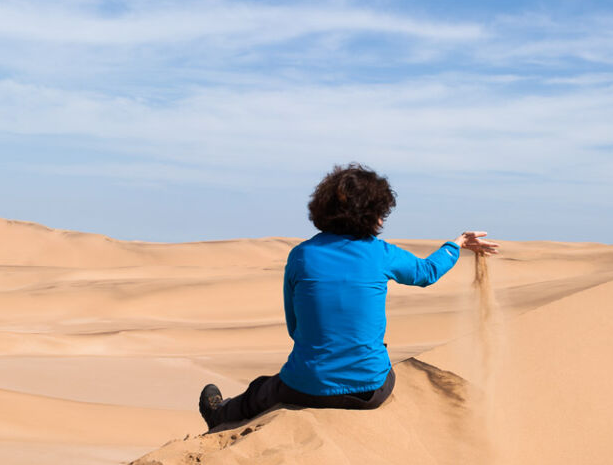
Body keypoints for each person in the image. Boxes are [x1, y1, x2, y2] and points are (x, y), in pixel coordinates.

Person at [198, 163, 499, 429]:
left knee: (260, 392)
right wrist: (455, 244)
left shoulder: (301, 256)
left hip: (306, 387)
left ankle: (219, 415)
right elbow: (426, 273)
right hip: (372, 391)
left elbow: (295, 328)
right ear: (372, 215)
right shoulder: (380, 254)